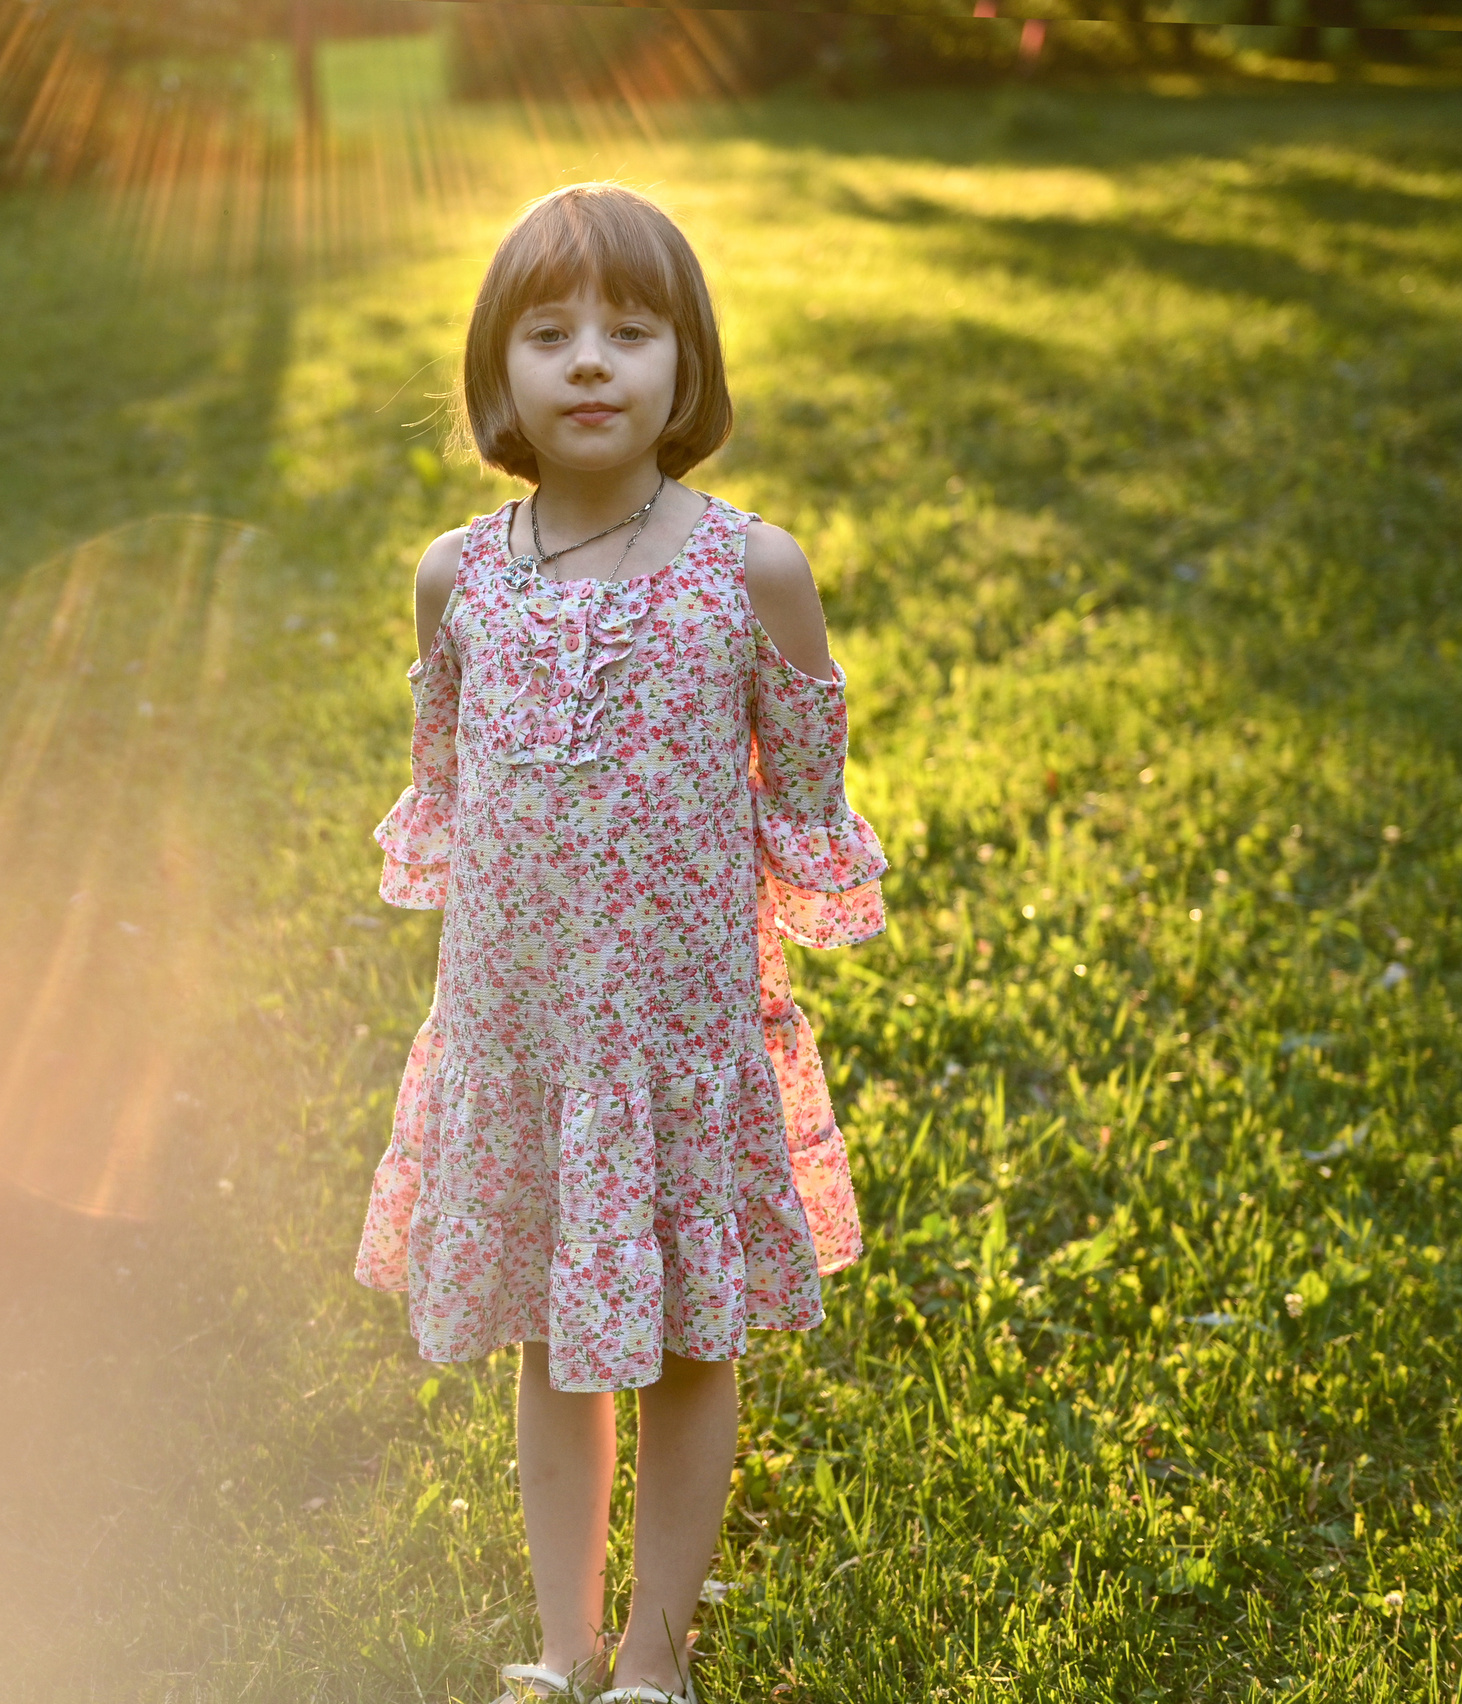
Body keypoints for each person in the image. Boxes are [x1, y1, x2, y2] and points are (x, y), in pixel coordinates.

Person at [352, 183, 887, 1704]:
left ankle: (658, 1655)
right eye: (549, 332)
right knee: (549, 1329)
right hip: (529, 1033)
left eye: (630, 332)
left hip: (673, 1032)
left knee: (687, 1333)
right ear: (495, 374)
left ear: (687, 369)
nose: (590, 361)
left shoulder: (749, 571)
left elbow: (806, 801)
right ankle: (566, 1644)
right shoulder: (461, 578)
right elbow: (450, 800)